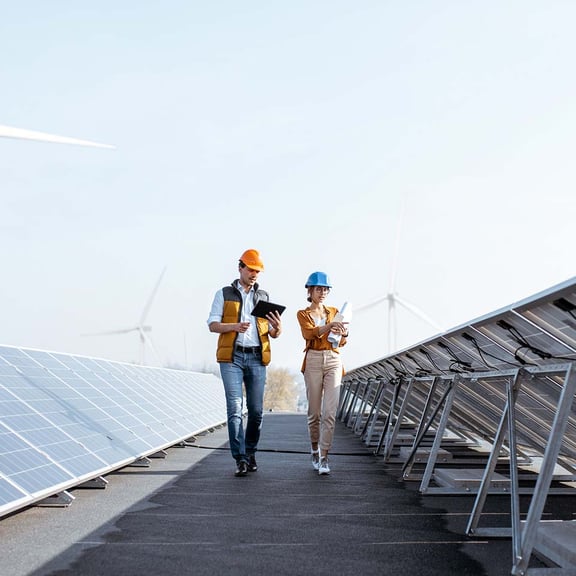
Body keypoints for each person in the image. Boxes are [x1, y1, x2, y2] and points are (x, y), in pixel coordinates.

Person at [207, 249, 283, 477]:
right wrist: (234, 327)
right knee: (235, 409)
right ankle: (239, 458)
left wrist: (278, 328)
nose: (254, 274)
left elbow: (272, 332)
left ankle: (250, 453)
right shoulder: (224, 294)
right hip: (232, 357)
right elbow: (212, 325)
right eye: (251, 269)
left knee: (257, 411)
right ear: (240, 267)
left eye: (257, 271)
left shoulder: (264, 297)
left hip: (257, 357)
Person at [296, 272, 348, 475]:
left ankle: (325, 456)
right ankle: (314, 449)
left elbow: (341, 341)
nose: (323, 292)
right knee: (315, 413)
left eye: (325, 289)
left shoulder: (334, 311)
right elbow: (309, 334)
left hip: (333, 359)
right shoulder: (303, 314)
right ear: (310, 291)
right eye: (319, 289)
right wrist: (330, 326)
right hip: (313, 360)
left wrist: (343, 333)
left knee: (330, 413)